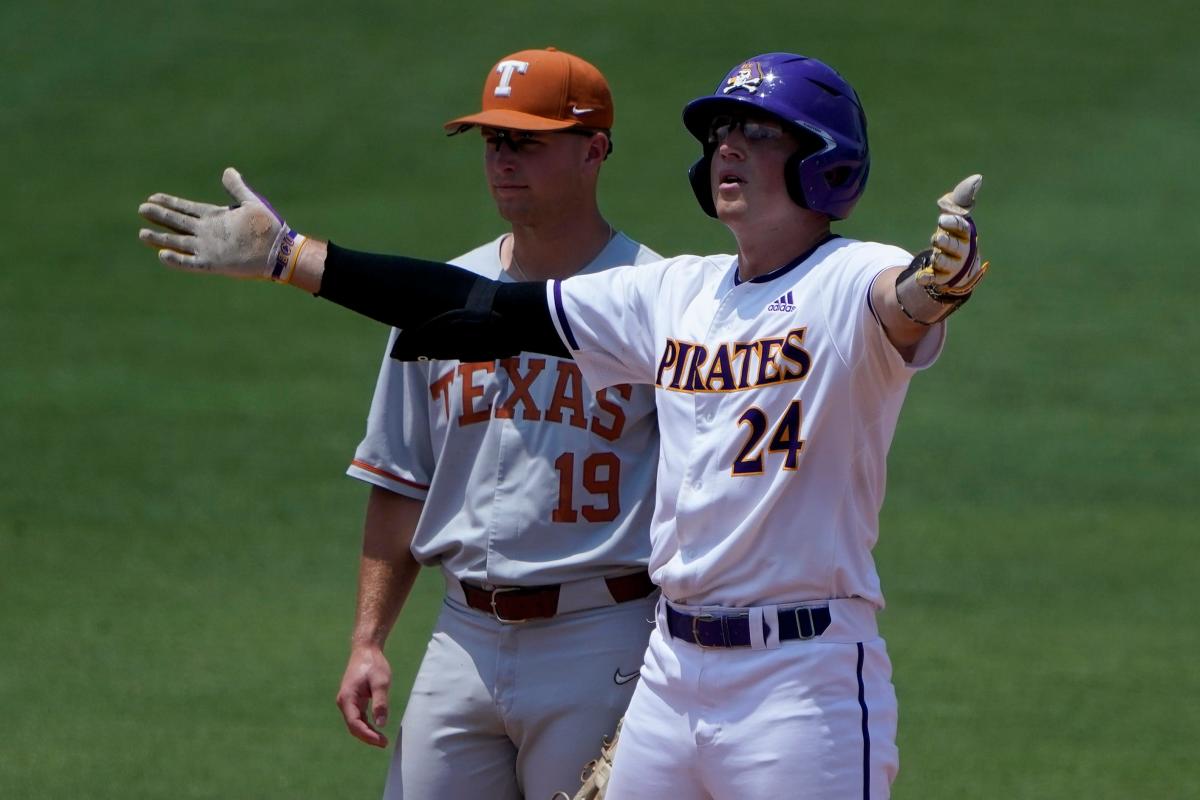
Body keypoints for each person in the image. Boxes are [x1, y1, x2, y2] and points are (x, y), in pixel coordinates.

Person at [138, 51, 990, 800]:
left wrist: (932, 287)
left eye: (759, 133)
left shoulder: (852, 274)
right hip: (671, 673)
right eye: (720, 132)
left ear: (823, 163)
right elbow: (482, 307)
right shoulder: (673, 294)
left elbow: (903, 302)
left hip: (799, 679)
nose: (727, 147)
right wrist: (292, 257)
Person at [150, 47, 664, 800]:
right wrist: (368, 639)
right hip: (464, 636)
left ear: (594, 151)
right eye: (492, 141)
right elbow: (399, 482)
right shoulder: (430, 300)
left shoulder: (658, 301)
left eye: (526, 141)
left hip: (603, 638)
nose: (502, 160)